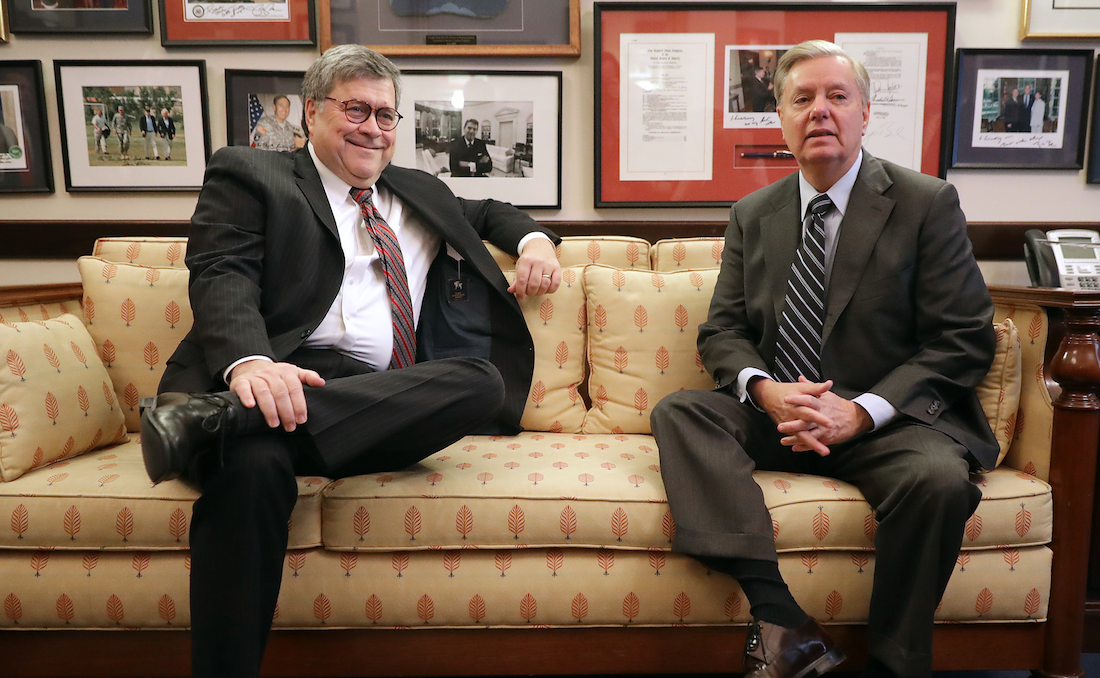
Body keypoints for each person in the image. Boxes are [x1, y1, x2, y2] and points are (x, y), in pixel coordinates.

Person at [139, 44, 562, 678]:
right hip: (272, 374)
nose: (374, 127)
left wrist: (534, 242)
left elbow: (489, 213)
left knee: (478, 382)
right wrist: (251, 365)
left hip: (373, 403)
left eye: (387, 115)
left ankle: (217, 420)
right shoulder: (253, 173)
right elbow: (221, 274)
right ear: (311, 113)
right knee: (249, 472)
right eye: (356, 109)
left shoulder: (419, 190)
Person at [651, 40, 996, 678]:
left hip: (884, 423)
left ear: (865, 113)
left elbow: (964, 337)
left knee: (940, 482)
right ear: (780, 119)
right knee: (682, 412)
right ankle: (783, 621)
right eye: (801, 99)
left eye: (837, 96)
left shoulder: (925, 203)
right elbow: (722, 330)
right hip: (781, 414)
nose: (820, 111)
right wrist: (764, 391)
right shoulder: (753, 214)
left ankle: (897, 664)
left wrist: (860, 413)